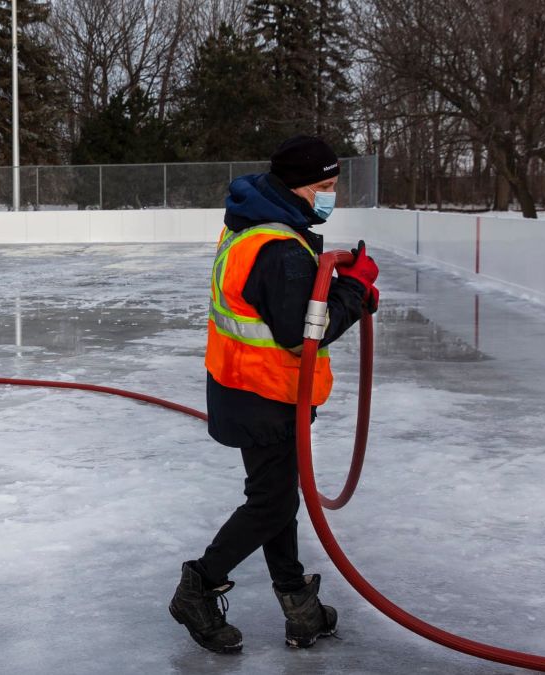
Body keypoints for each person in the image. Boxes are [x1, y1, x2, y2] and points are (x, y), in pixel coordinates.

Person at [169, 135, 379, 653]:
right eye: (326, 186)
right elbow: (302, 331)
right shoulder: (279, 246)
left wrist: (330, 282)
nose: (331, 196)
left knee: (277, 499)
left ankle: (299, 607)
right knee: (271, 503)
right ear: (299, 186)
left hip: (247, 386)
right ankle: (198, 586)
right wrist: (355, 290)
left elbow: (283, 302)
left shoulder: (255, 221)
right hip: (264, 392)